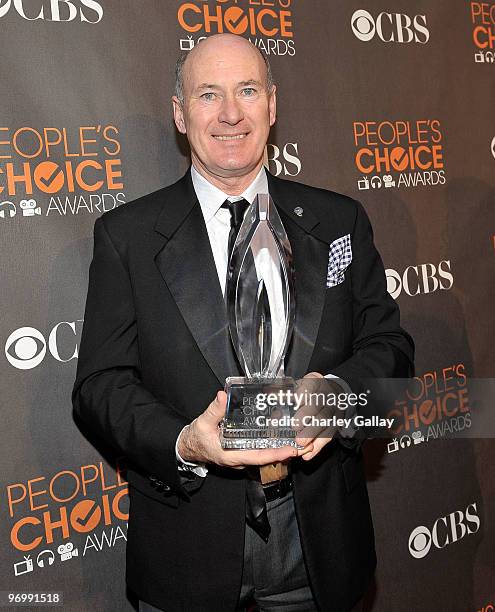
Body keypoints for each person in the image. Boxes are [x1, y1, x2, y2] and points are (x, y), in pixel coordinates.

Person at [72, 34, 414, 612]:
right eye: (208, 94)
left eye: (247, 90)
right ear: (180, 114)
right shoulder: (126, 237)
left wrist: (332, 400)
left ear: (272, 105)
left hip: (322, 547)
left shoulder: (338, 221)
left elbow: (392, 352)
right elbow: (99, 387)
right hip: (187, 549)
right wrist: (186, 442)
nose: (231, 113)